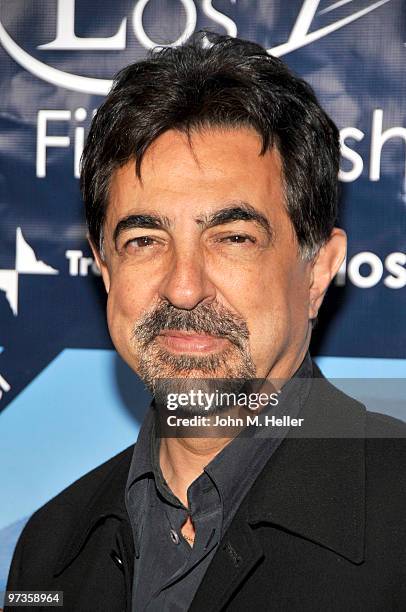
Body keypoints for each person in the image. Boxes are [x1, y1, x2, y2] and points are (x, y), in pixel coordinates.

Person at [5, 33, 406, 612]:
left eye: (233, 238)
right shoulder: (49, 548)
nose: (184, 287)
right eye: (144, 240)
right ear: (105, 269)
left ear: (317, 271)